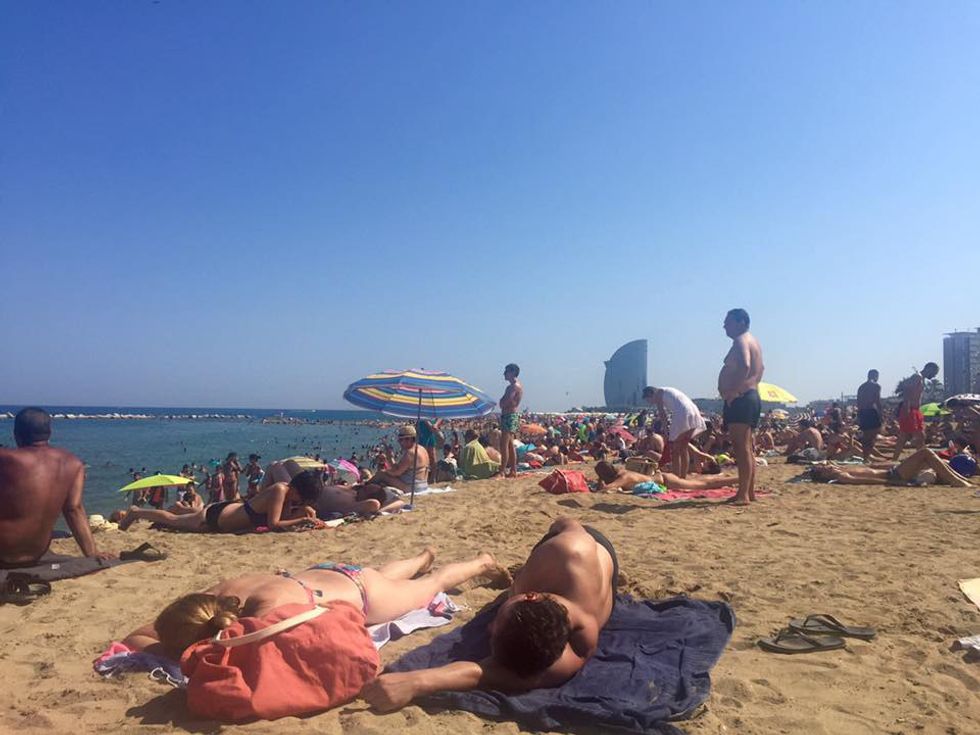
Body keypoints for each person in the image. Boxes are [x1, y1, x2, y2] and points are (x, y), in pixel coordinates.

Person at [362, 518, 615, 711]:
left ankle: (509, 588)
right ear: (531, 596)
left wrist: (417, 681)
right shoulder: (570, 548)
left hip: (592, 581)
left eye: (494, 626)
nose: (489, 627)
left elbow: (496, 674)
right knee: (526, 578)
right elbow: (566, 522)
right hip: (586, 542)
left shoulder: (582, 639)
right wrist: (555, 531)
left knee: (513, 590)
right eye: (497, 623)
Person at [121, 547, 502, 658]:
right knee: (385, 573)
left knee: (433, 584)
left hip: (365, 597)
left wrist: (176, 651)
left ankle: (482, 562)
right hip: (329, 573)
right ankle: (421, 556)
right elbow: (146, 631)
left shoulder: (261, 619)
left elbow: (136, 638)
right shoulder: (226, 589)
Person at [0, 407, 111, 566]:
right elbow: (74, 510)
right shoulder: (73, 463)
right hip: (35, 554)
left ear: (16, 434)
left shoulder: (5, 458)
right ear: (49, 433)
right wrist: (92, 553)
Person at [117, 469, 325, 533]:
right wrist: (301, 519)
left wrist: (302, 513)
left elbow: (282, 522)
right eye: (302, 497)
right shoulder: (280, 489)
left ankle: (180, 508)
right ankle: (136, 512)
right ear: (297, 489)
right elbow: (274, 524)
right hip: (217, 517)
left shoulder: (287, 496)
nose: (301, 501)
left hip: (227, 514)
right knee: (172, 520)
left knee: (180, 518)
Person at [717, 308, 765, 505]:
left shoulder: (741, 340)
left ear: (741, 322)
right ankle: (748, 492)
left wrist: (734, 390)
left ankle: (743, 494)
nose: (724, 326)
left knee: (741, 447)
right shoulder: (754, 341)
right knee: (747, 447)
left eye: (728, 322)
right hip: (750, 396)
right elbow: (760, 369)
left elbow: (745, 365)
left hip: (742, 398)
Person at [809, 447, 973, 487]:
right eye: (823, 469)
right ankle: (958, 481)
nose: (826, 466)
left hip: (894, 472)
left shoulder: (838, 469)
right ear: (824, 476)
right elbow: (866, 480)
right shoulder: (841, 476)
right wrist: (896, 483)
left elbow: (829, 463)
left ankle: (960, 479)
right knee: (926, 453)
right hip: (894, 475)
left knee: (928, 458)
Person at [642, 386, 707, 479]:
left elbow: (662, 414)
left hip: (682, 413)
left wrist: (666, 431)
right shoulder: (668, 390)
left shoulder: (659, 393)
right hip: (694, 411)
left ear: (651, 394)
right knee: (683, 448)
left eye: (649, 400)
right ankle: (683, 477)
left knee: (675, 451)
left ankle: (676, 477)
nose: (650, 403)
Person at [593, 460, 737, 493]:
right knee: (697, 480)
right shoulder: (622, 473)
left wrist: (600, 482)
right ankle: (724, 477)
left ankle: (739, 479)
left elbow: (607, 488)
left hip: (665, 481)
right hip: (663, 477)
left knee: (702, 485)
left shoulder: (623, 478)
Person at [362, 425, 430, 493]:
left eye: (401, 440)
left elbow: (396, 473)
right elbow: (397, 469)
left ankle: (363, 487)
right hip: (423, 484)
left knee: (381, 474)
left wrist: (385, 471)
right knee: (382, 476)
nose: (399, 442)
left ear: (409, 439)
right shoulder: (422, 449)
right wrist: (390, 458)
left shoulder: (410, 453)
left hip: (412, 487)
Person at [892, 363, 939, 460]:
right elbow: (907, 391)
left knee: (910, 437)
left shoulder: (920, 378)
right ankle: (922, 459)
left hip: (915, 410)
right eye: (934, 372)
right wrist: (907, 407)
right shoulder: (917, 377)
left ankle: (919, 458)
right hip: (910, 409)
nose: (934, 376)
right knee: (915, 436)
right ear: (929, 368)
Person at [499, 363, 523, 478]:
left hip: (509, 415)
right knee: (510, 445)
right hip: (510, 415)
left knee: (504, 444)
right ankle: (513, 470)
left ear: (512, 372)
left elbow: (506, 401)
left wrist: (502, 402)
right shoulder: (515, 386)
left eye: (506, 371)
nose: (504, 374)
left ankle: (502, 471)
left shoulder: (513, 387)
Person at [856, 370, 884, 461]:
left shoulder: (861, 387)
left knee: (866, 436)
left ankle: (865, 457)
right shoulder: (876, 386)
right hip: (871, 411)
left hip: (862, 412)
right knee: (873, 435)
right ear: (875, 376)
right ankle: (867, 456)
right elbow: (877, 401)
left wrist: (859, 415)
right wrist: (881, 414)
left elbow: (858, 402)